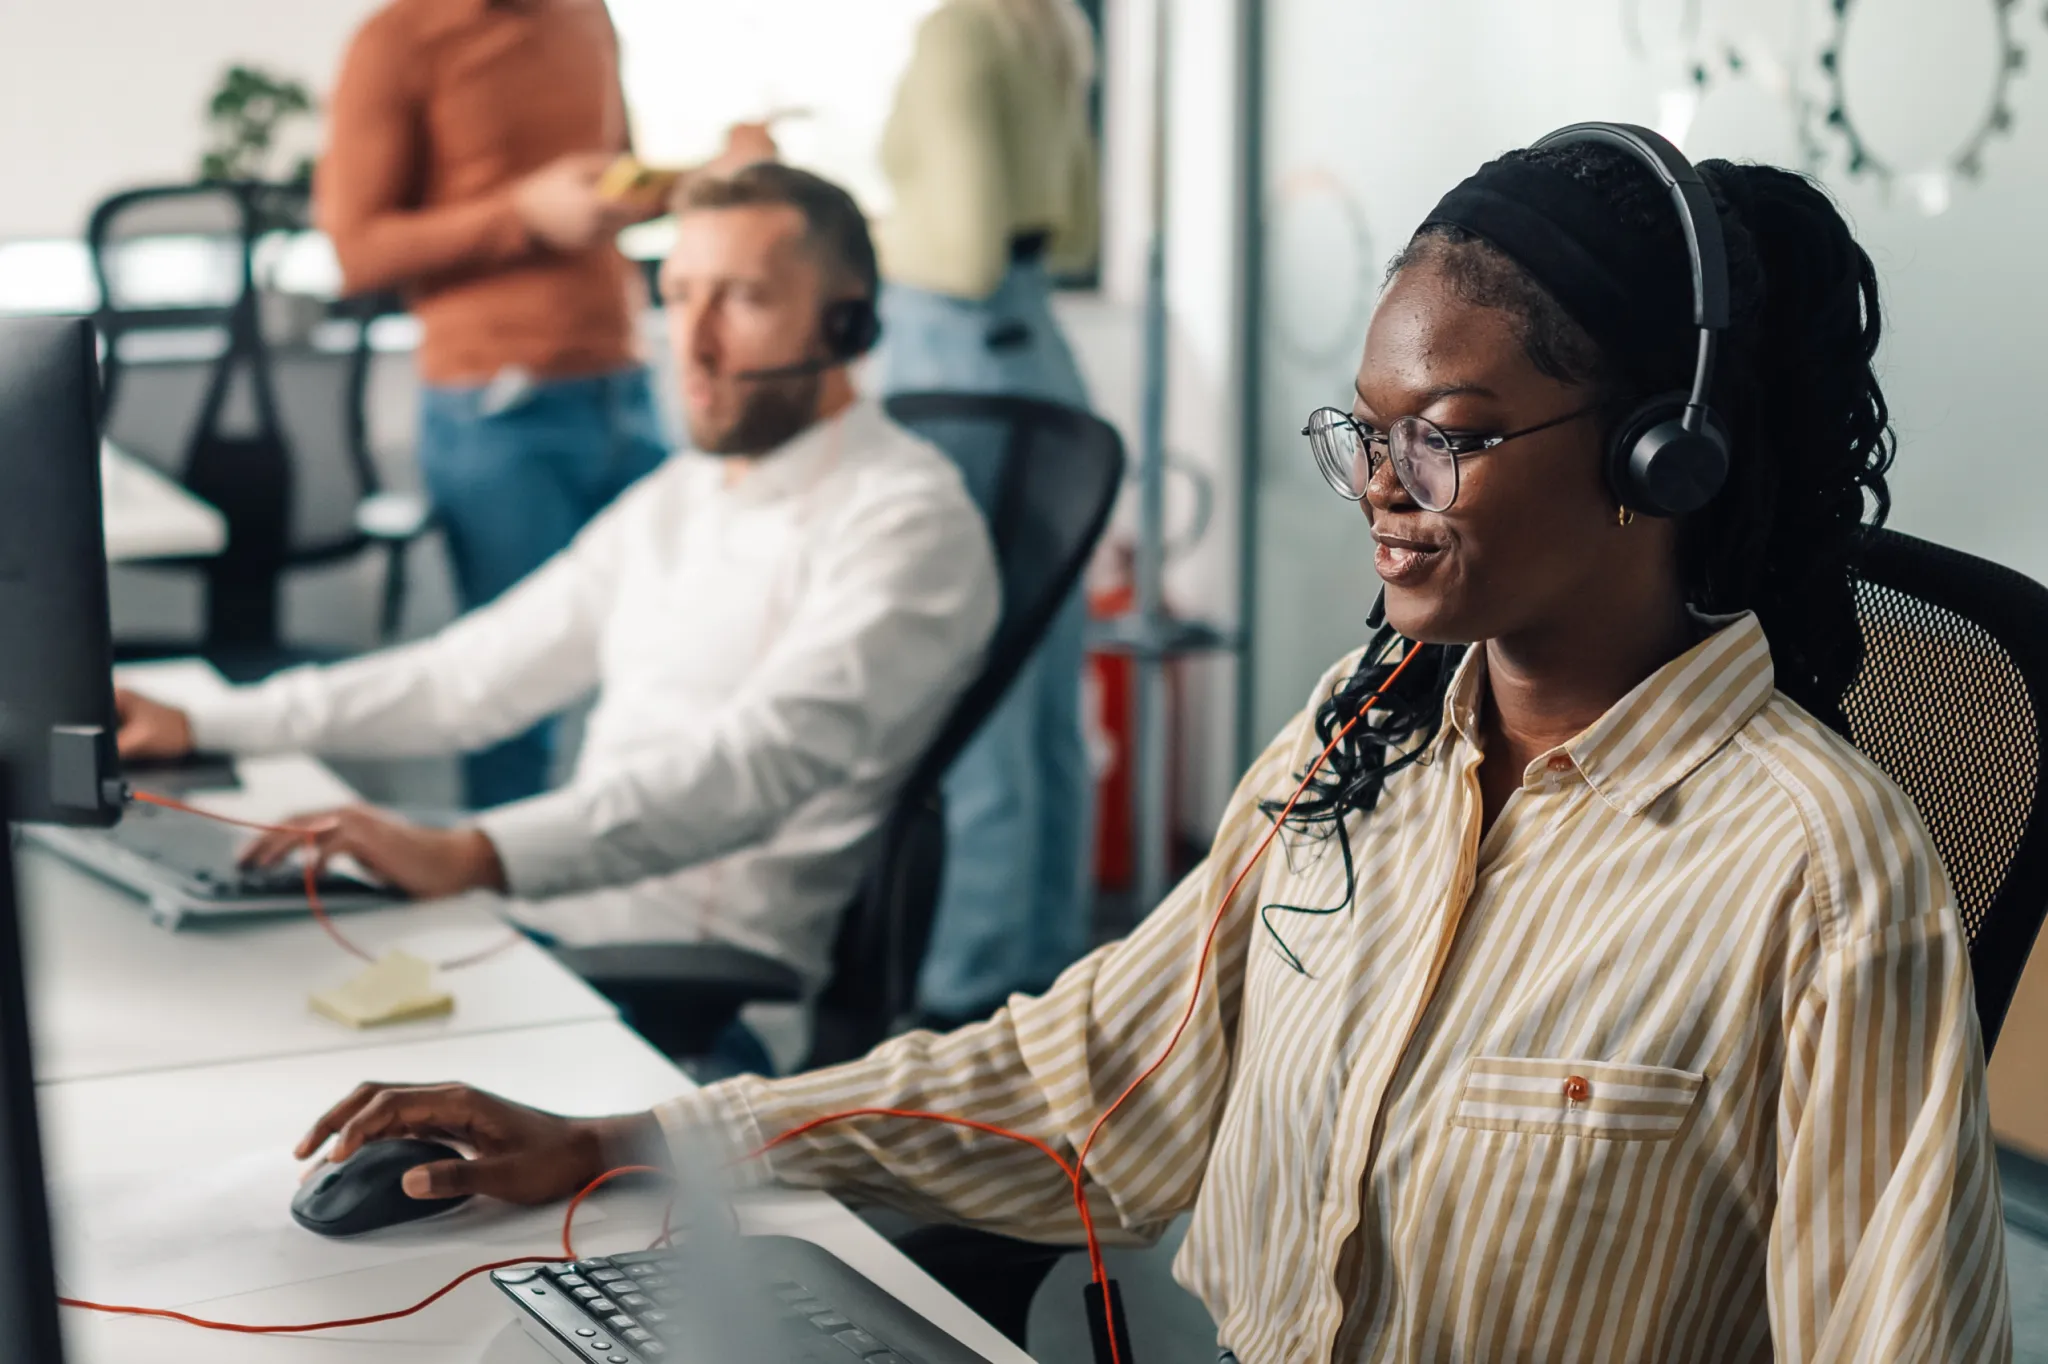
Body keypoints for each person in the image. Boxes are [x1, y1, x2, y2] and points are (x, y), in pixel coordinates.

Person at [285, 135, 2014, 1360]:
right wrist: (632, 1135)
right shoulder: (1359, 751)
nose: (1379, 496)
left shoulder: (1816, 868)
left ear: (1662, 458)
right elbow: (1083, 1076)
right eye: (1365, 431)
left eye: (1451, 437)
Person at [118, 164, 1000, 1076]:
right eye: (677, 296)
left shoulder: (907, 521)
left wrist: (473, 852)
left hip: (687, 1000)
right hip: (541, 926)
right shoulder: (684, 493)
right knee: (204, 998)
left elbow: (755, 767)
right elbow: (470, 677)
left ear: (846, 321)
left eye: (740, 300)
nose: (689, 345)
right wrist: (207, 721)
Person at [317, 0, 772, 808]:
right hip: (498, 412)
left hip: (625, 392)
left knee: (685, 664)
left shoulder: (583, 14)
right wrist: (520, 215)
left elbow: (611, 185)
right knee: (508, 701)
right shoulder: (399, 40)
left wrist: (706, 178)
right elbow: (354, 252)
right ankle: (497, 922)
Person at [872, 0, 1105, 1027]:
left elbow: (956, 251)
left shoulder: (960, 28)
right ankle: (1043, 970)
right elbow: (1076, 228)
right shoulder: (1053, 26)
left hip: (953, 358)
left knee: (971, 684)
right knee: (1038, 690)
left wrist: (839, 232)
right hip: (1036, 352)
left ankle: (965, 991)